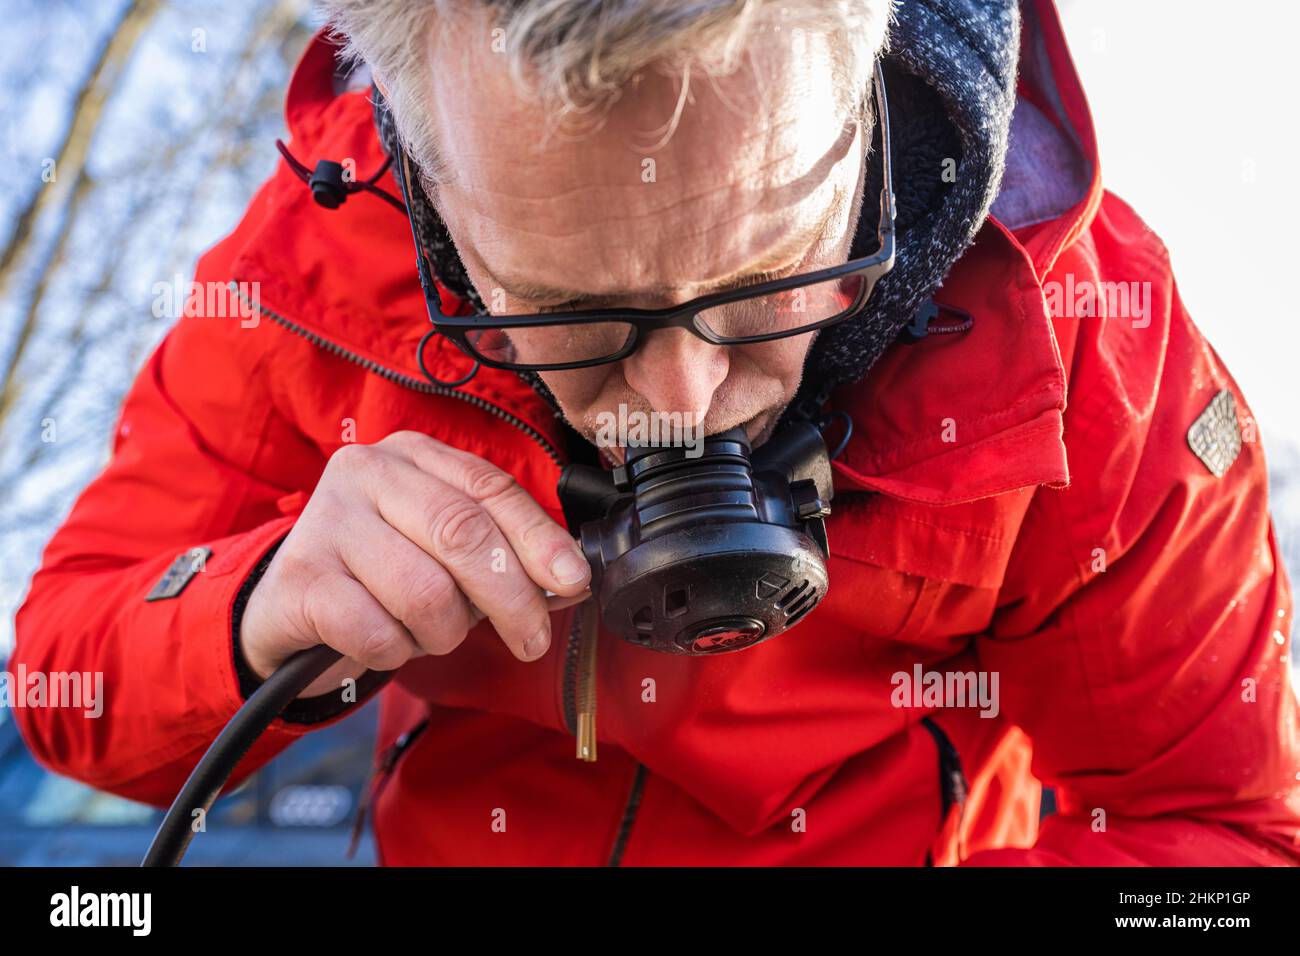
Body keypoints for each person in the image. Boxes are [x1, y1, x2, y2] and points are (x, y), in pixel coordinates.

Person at [12, 0, 1299, 865]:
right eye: (572, 314)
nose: (680, 404)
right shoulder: (311, 270)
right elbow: (69, 685)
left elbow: (1221, 839)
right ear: (422, 178)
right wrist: (259, 611)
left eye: (762, 282)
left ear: (868, 109)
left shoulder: (1084, 335)